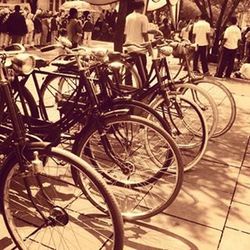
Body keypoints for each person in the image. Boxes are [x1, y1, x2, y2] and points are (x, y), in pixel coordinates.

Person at [124, 0, 149, 85]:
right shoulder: (143, 17)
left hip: (128, 47)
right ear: (142, 7)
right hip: (139, 49)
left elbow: (125, 33)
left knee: (129, 71)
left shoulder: (128, 17)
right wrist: (149, 47)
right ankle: (144, 88)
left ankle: (128, 87)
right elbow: (144, 33)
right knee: (142, 72)